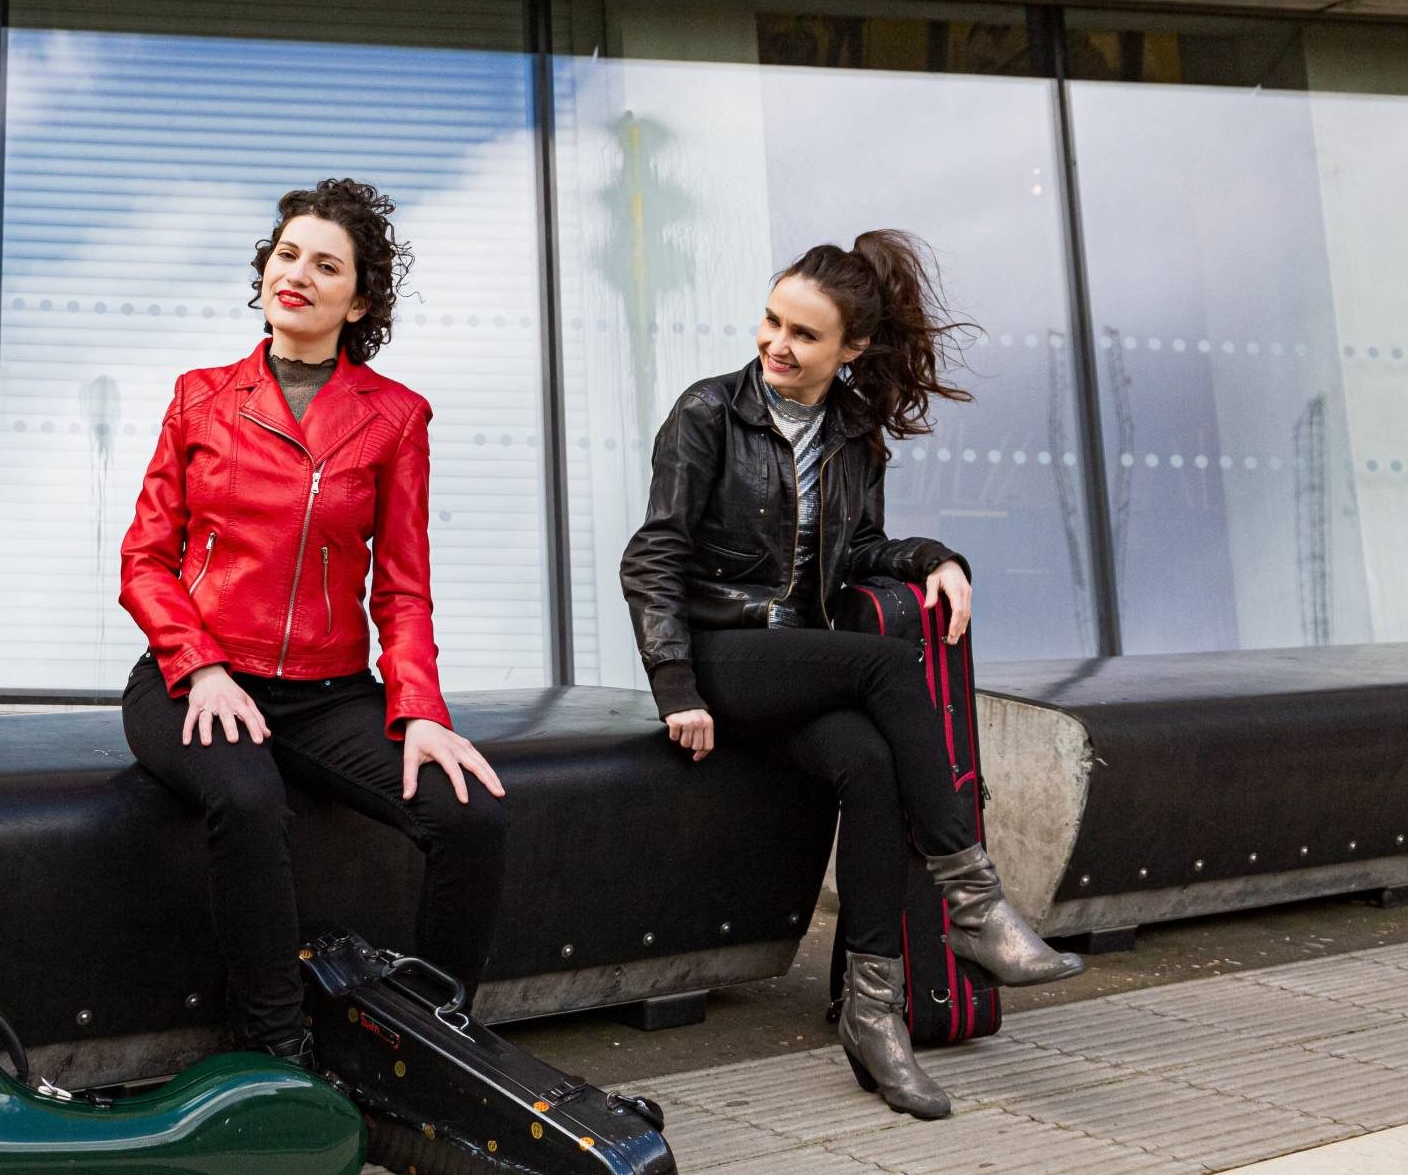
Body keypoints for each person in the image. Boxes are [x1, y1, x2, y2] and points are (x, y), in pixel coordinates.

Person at [618, 231, 1082, 1121]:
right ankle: (974, 900)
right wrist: (674, 683)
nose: (776, 345)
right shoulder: (709, 412)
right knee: (890, 663)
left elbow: (860, 548)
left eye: (803, 334)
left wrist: (937, 558)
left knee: (868, 768)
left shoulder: (853, 433)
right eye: (770, 321)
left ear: (851, 349)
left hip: (799, 660)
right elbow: (655, 556)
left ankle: (874, 1017)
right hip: (720, 652)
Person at [118, 179, 509, 1065]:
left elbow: (403, 588)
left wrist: (419, 713)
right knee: (249, 801)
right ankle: (277, 1047)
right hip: (194, 680)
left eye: (325, 264)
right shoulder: (199, 397)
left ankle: (432, 1045)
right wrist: (200, 664)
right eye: (286, 254)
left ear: (358, 299)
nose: (296, 273)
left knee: (471, 815)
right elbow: (145, 559)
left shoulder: (395, 418)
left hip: (329, 696)